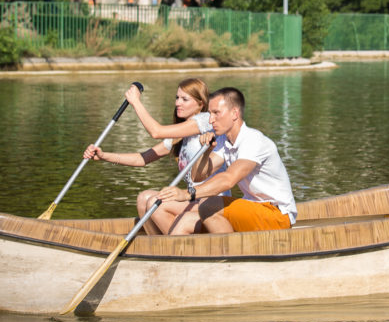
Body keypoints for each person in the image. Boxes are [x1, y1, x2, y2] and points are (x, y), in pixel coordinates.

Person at [83, 78, 226, 235]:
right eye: (177, 98)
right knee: (144, 198)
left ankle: (175, 247)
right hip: (193, 200)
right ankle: (156, 247)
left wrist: (136, 102)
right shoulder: (180, 134)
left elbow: (156, 132)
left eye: (185, 99)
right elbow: (142, 158)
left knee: (154, 203)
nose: (178, 103)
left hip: (211, 201)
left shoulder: (205, 120)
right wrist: (104, 156)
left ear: (201, 104)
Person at [155, 87, 297, 233]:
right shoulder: (223, 140)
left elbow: (228, 179)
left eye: (216, 113)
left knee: (208, 204)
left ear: (234, 113)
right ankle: (182, 255)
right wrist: (206, 151)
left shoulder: (253, 140)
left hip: (277, 215)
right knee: (184, 222)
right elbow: (197, 176)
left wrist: (186, 194)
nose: (211, 120)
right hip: (251, 208)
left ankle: (230, 253)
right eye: (210, 113)